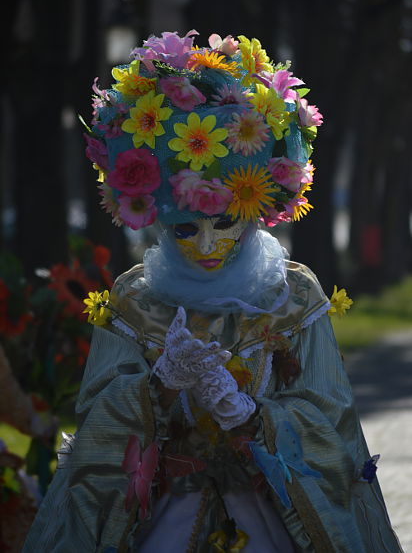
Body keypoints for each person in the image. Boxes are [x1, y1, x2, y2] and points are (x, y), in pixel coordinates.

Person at [23, 30, 403, 552]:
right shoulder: (136, 301)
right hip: (166, 514)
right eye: (185, 227)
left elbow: (329, 419)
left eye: (223, 222)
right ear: (159, 220)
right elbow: (97, 431)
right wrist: (158, 387)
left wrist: (253, 416)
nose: (206, 244)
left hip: (271, 515)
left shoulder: (292, 295)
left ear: (253, 209)